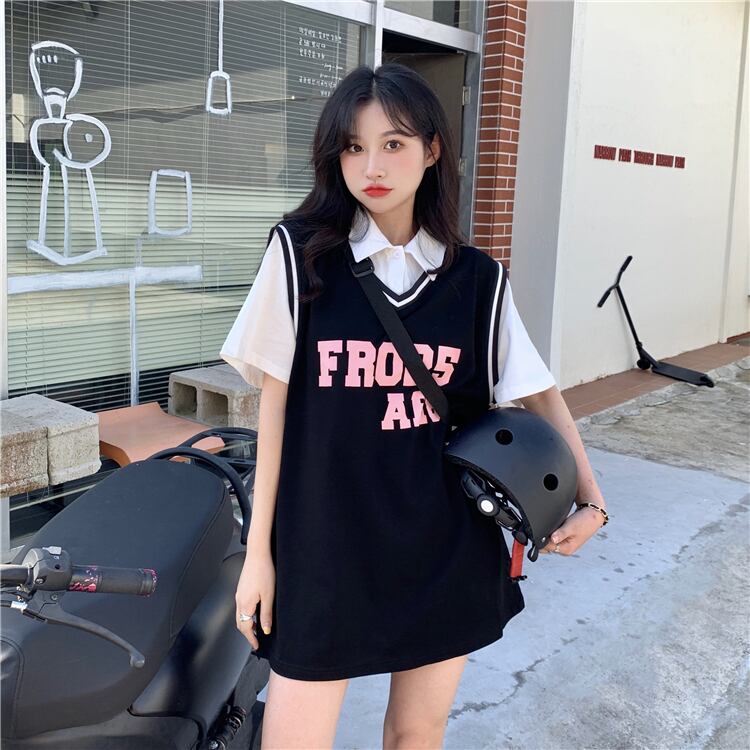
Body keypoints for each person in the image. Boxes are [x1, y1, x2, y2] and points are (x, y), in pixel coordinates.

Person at [220, 63, 609, 750]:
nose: (371, 166)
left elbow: (537, 389)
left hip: (442, 544)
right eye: (353, 146)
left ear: (432, 151)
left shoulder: (477, 281)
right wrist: (259, 556)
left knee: (416, 734)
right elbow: (272, 412)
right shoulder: (300, 257)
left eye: (394, 143)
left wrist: (592, 500)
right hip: (324, 545)